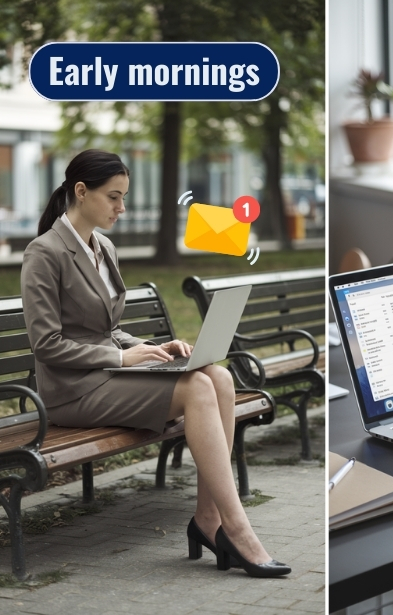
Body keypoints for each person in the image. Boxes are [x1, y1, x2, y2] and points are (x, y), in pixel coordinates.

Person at [20, 150, 288, 577]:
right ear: (81, 191)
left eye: (124, 197)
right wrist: (121, 357)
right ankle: (239, 529)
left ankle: (208, 520)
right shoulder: (44, 252)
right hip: (72, 390)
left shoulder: (103, 247)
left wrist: (154, 346)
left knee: (216, 376)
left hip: (107, 374)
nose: (121, 208)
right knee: (198, 388)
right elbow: (47, 344)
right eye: (113, 197)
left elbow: (107, 327)